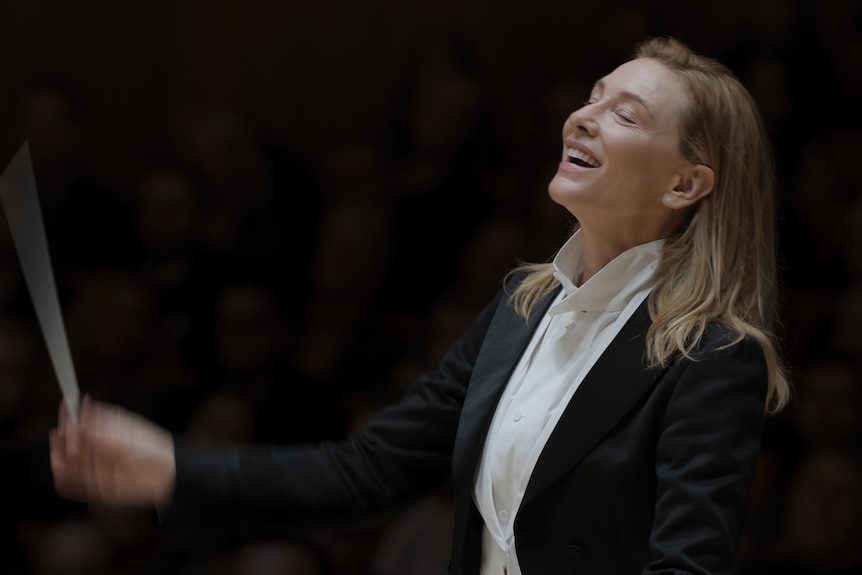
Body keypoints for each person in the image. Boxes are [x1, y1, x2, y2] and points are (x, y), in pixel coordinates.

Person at [49, 36, 790, 575]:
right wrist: (172, 466)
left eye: (623, 114)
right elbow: (365, 470)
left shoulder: (716, 353)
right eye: (591, 96)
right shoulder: (520, 308)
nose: (582, 117)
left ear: (686, 185)